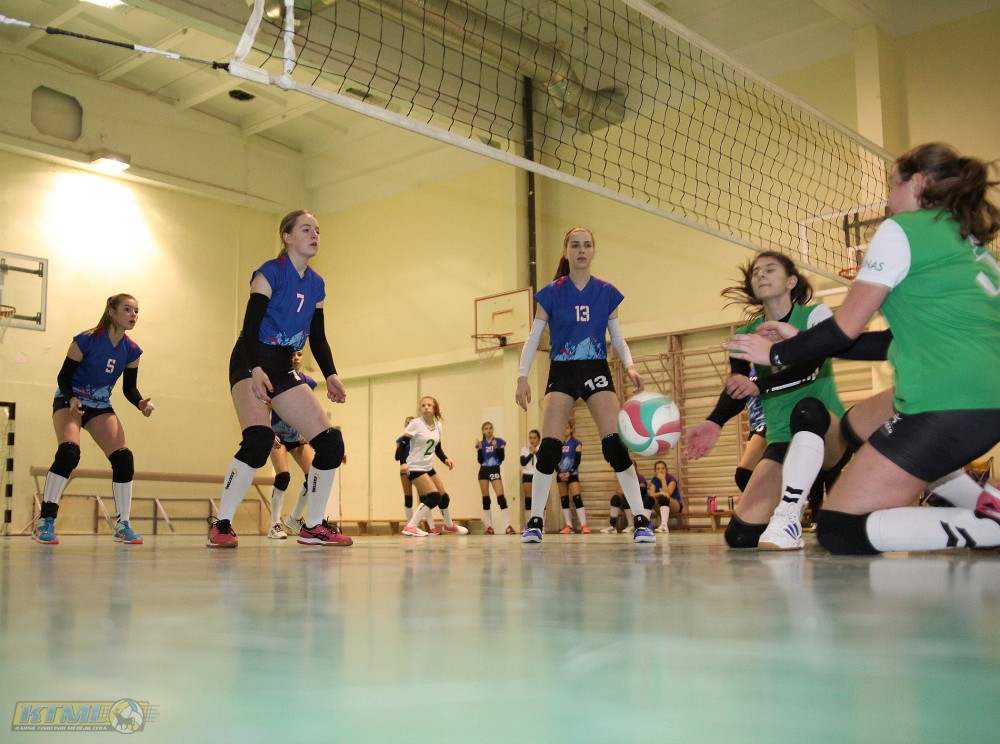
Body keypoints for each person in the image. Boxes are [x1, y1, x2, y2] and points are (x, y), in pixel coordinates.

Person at [723, 143, 1000, 554]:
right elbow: (887, 341)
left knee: (839, 528)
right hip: (985, 400)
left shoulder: (903, 229)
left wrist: (775, 354)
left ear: (917, 183)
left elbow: (842, 329)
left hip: (946, 401)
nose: (887, 198)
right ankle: (985, 508)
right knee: (854, 426)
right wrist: (799, 340)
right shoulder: (965, 240)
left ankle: (991, 525)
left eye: (892, 185)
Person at [685, 251, 856, 551]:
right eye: (755, 272)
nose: (760, 274)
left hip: (826, 430)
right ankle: (791, 513)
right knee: (739, 537)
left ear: (791, 282)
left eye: (769, 269)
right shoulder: (746, 335)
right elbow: (739, 388)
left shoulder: (815, 315)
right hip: (782, 439)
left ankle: (799, 512)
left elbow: (811, 365)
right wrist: (714, 422)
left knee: (807, 411)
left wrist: (758, 385)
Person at [208, 209, 351, 548]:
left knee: (331, 442)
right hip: (250, 358)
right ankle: (221, 524)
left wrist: (331, 374)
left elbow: (318, 337)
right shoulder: (270, 273)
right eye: (306, 229)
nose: (314, 235)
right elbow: (250, 328)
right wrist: (256, 368)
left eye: (317, 230)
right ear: (287, 237)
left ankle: (312, 526)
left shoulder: (316, 284)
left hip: (284, 365)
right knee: (259, 440)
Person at [515, 226, 654, 544]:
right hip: (562, 370)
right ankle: (535, 522)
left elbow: (617, 336)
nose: (581, 250)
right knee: (549, 449)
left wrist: (630, 366)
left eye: (587, 245)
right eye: (575, 245)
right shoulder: (551, 293)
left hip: (595, 368)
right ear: (566, 251)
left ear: (593, 251)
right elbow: (533, 337)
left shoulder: (606, 292)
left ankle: (641, 519)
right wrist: (522, 376)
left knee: (614, 446)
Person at [33, 294, 154, 546]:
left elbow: (129, 388)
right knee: (69, 452)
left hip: (99, 404)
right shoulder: (86, 340)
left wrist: (140, 403)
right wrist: (72, 399)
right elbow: (63, 378)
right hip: (70, 399)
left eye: (136, 311)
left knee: (124, 458)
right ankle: (45, 521)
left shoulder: (132, 350)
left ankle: (123, 525)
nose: (133, 315)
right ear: (112, 311)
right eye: (127, 309)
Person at [399, 396, 469, 537]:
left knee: (444, 497)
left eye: (429, 405)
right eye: (423, 405)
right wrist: (403, 463)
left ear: (434, 408)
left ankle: (449, 525)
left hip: (427, 467)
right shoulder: (415, 423)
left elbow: (437, 448)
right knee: (434, 497)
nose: (426, 407)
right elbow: (402, 444)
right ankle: (411, 526)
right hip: (415, 467)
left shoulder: (438, 425)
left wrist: (445, 459)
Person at [266, 350, 316, 539]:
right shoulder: (274, 380)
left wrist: (306, 432)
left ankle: (294, 518)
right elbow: (265, 407)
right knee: (283, 477)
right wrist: (268, 432)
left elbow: (308, 410)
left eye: (299, 354)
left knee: (314, 477)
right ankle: (274, 525)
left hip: (296, 437)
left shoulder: (307, 382)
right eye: (292, 354)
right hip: (277, 437)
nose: (296, 358)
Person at [477, 421, 514, 534]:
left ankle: (508, 525)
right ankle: (489, 526)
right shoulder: (481, 443)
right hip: (484, 470)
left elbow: (502, 458)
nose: (489, 430)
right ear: (483, 431)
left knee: (500, 497)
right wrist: (479, 449)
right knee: (486, 499)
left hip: (494, 469)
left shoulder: (499, 441)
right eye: (486, 428)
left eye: (490, 428)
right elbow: (480, 460)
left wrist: (496, 448)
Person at [600, 460, 653, 533]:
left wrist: (625, 491)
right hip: (627, 502)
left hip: (640, 502)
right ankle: (613, 526)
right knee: (615, 498)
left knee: (626, 496)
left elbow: (641, 487)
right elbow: (619, 490)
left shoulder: (640, 478)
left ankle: (631, 525)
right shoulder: (624, 478)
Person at [556, 420, 589, 534]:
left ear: (570, 430)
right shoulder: (558, 444)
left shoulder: (576, 443)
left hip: (572, 474)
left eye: (566, 428)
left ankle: (584, 525)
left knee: (577, 498)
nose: (564, 430)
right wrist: (559, 472)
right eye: (563, 428)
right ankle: (569, 525)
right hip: (561, 474)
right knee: (564, 499)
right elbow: (554, 460)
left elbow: (577, 461)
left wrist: (569, 472)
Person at [650, 460, 683, 533]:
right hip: (661, 503)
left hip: (675, 504)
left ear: (666, 470)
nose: (660, 470)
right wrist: (661, 493)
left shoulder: (671, 479)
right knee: (649, 499)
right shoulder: (654, 479)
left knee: (664, 497)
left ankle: (664, 525)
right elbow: (651, 494)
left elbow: (668, 494)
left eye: (663, 468)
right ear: (655, 471)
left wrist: (663, 479)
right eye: (658, 469)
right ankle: (644, 525)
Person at [519, 429, 540, 515]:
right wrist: (531, 453)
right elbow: (523, 462)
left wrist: (536, 452)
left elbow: (542, 462)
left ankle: (541, 522)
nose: (532, 440)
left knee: (539, 499)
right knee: (528, 499)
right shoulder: (524, 449)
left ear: (538, 439)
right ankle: (528, 522)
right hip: (527, 475)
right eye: (530, 438)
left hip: (538, 475)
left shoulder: (541, 449)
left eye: (534, 438)